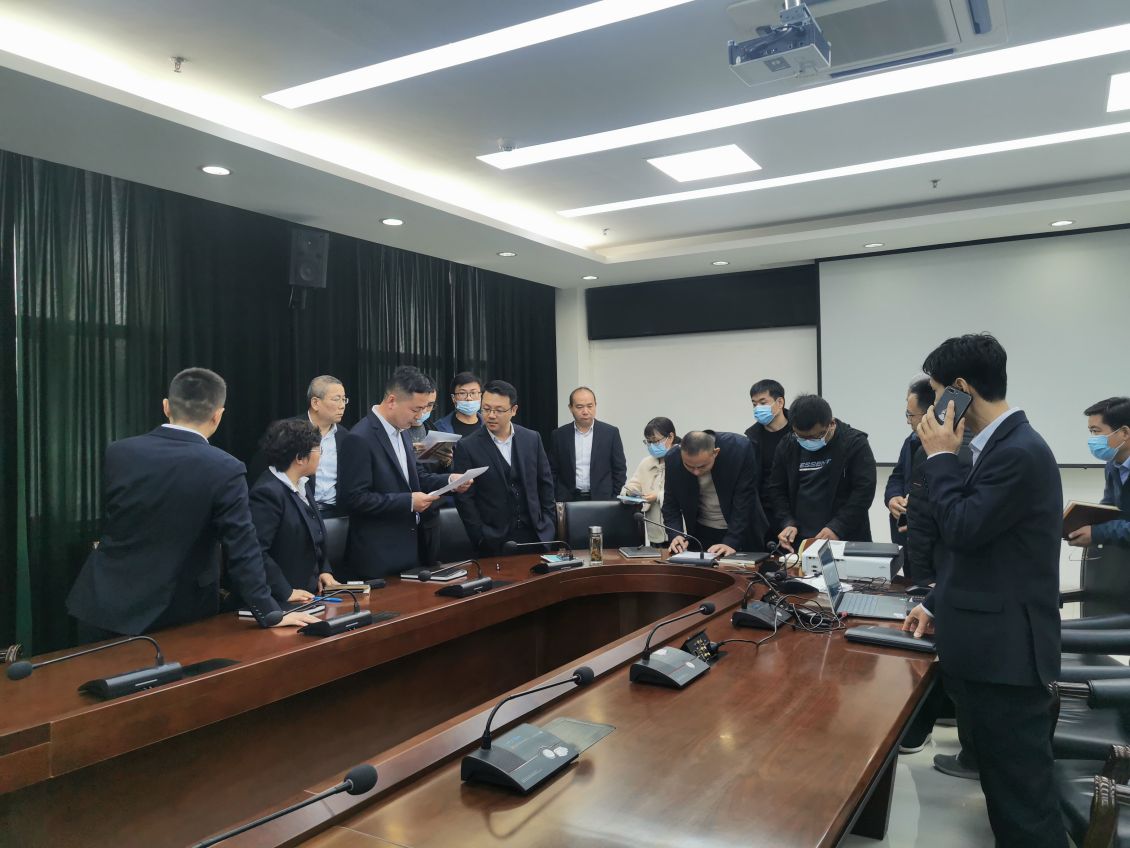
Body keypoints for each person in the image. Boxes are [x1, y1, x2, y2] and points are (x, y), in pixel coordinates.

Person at [903, 333, 1065, 848]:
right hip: (988, 645)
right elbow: (980, 553)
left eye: (937, 394)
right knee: (1005, 794)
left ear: (960, 389)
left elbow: (962, 528)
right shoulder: (994, 445)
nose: (934, 408)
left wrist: (939, 459)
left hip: (1007, 656)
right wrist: (934, 603)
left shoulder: (1018, 451)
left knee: (1023, 807)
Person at [66, 368, 319, 639]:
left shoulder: (119, 452)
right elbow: (243, 550)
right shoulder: (225, 468)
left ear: (166, 406)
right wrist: (269, 612)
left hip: (102, 604)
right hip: (175, 613)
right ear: (218, 415)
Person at [338, 367, 472, 578]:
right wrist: (408, 502)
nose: (419, 416)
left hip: (412, 548)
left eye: (425, 408)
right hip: (378, 555)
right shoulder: (359, 438)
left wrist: (451, 481)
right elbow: (354, 499)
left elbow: (417, 479)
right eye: (415, 409)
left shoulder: (402, 431)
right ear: (392, 401)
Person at [452, 380, 556, 555]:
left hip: (535, 534)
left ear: (513, 410)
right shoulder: (467, 446)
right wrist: (480, 536)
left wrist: (548, 524)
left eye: (499, 410)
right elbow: (465, 499)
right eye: (486, 409)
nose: (491, 415)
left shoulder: (532, 439)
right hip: (493, 539)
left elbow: (545, 485)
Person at [768, 394, 877, 552]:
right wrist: (787, 522)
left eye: (815, 436)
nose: (808, 442)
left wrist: (838, 527)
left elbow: (864, 491)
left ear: (831, 424)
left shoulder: (854, 443)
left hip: (844, 536)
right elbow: (776, 489)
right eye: (801, 437)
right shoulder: (787, 444)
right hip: (800, 540)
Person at [249, 419, 336, 605]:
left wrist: (323, 570)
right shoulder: (267, 493)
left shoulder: (303, 483)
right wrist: (285, 591)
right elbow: (257, 551)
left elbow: (315, 537)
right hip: (280, 600)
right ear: (300, 458)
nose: (321, 456)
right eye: (318, 450)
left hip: (309, 594)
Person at [663, 430, 768, 557]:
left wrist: (731, 541)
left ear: (715, 452)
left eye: (702, 466)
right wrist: (676, 534)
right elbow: (670, 504)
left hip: (743, 530)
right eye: (689, 466)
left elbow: (745, 499)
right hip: (702, 530)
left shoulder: (739, 449)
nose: (696, 472)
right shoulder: (673, 458)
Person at [1067, 396, 1130, 548]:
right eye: (1090, 432)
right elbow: (1110, 508)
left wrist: (1097, 533)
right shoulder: (1112, 465)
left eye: (1096, 431)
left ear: (1124, 433)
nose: (1092, 439)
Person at [547, 387, 627, 502]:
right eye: (579, 407)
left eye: (590, 406)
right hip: (568, 500)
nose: (585, 411)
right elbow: (552, 470)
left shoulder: (610, 433)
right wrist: (555, 496)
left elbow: (619, 470)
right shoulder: (559, 435)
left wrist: (614, 498)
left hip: (603, 500)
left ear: (595, 405)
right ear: (570, 408)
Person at [885, 378, 933, 544]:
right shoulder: (911, 440)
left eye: (910, 415)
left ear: (929, 413)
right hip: (905, 537)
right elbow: (897, 476)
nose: (907, 420)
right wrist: (893, 498)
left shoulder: (950, 447)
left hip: (928, 538)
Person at [744, 379, 791, 540]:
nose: (758, 408)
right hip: (765, 513)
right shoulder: (752, 437)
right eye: (754, 404)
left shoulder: (799, 430)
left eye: (763, 403)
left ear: (780, 402)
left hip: (795, 510)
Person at [407, 387, 449, 567]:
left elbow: (437, 471)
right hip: (404, 510)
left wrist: (447, 462)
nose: (423, 411)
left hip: (430, 511)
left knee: (432, 566)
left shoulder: (432, 428)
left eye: (430, 405)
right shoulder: (399, 428)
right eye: (420, 406)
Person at [623, 418, 680, 546]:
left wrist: (658, 496)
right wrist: (631, 492)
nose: (652, 446)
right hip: (654, 533)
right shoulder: (646, 462)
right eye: (649, 442)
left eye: (656, 441)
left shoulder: (682, 459)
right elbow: (632, 485)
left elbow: (684, 493)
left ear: (670, 437)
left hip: (679, 532)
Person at [305, 375, 350, 518]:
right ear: (315, 403)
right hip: (302, 512)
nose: (342, 405)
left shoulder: (345, 436)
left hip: (335, 514)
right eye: (336, 399)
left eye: (344, 399)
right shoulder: (291, 431)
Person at [435, 371, 485, 436]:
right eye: (462, 393)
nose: (469, 398)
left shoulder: (490, 426)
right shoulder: (439, 428)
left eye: (473, 393)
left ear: (481, 395)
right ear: (453, 398)